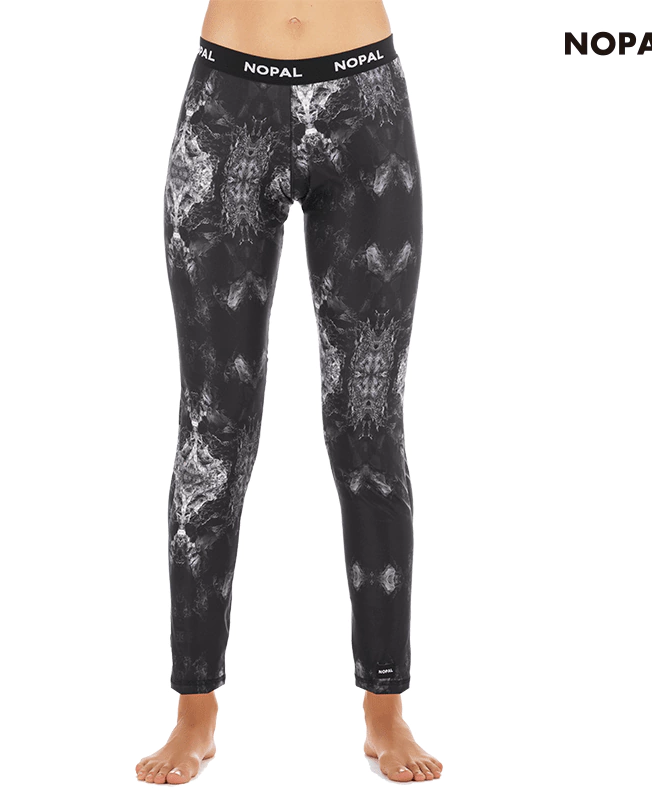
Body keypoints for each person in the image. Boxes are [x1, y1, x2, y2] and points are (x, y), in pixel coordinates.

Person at [136, 0, 442, 784]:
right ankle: (194, 709)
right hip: (228, 101)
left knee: (369, 425)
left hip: (365, 102)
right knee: (213, 427)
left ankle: (385, 706)